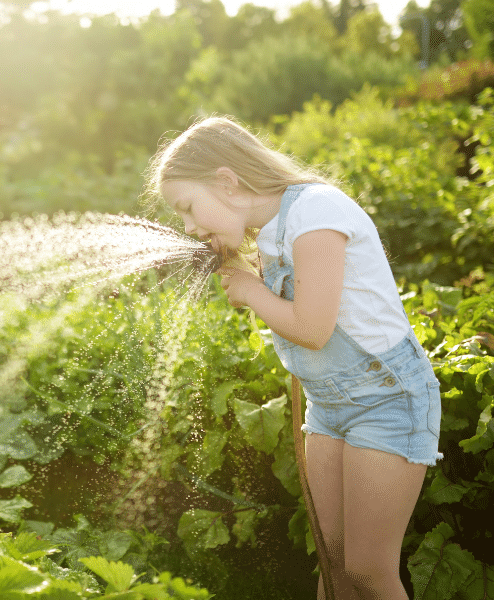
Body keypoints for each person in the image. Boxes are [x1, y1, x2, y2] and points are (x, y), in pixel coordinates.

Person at [145, 116, 443, 600]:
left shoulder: (315, 212)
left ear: (227, 181)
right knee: (333, 564)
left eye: (188, 208)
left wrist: (251, 291)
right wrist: (246, 276)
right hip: (331, 409)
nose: (188, 226)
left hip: (387, 401)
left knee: (369, 569)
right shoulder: (268, 233)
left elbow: (313, 328)